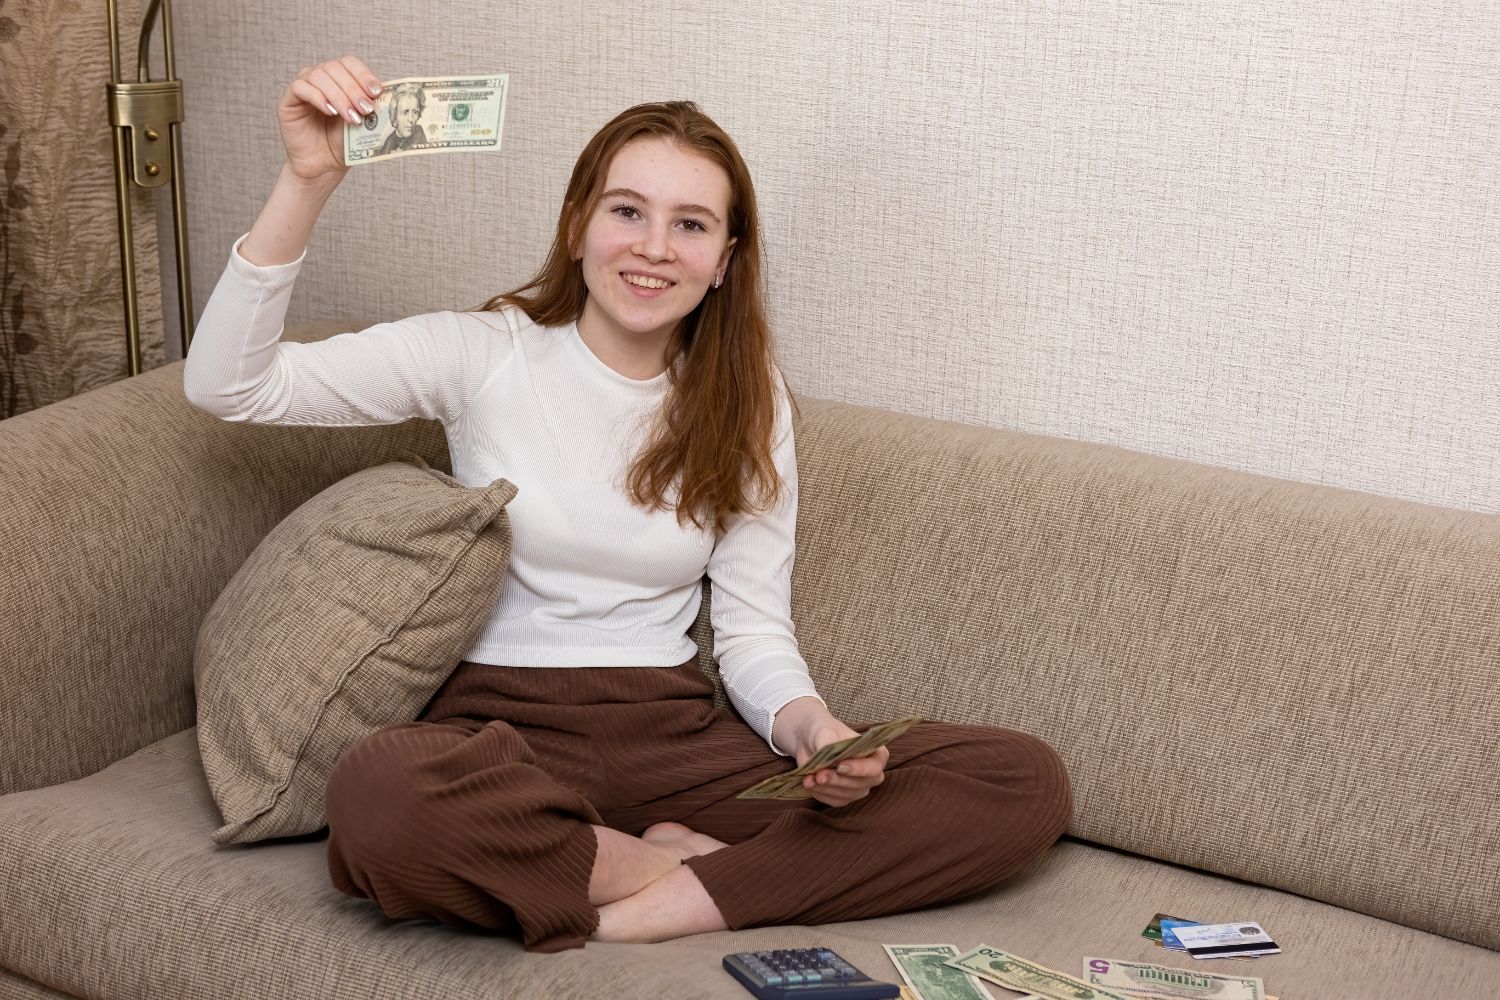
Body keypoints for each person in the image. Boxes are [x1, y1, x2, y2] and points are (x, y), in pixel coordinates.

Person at [182, 54, 1072, 954]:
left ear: (724, 262)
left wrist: (814, 732)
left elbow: (755, 632)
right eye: (627, 211)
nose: (654, 246)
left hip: (677, 738)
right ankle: (672, 871)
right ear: (578, 227)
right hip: (501, 740)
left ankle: (663, 900)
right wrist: (308, 179)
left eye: (690, 225)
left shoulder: (746, 397)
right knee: (378, 796)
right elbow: (229, 385)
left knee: (1017, 782)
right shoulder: (482, 352)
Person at [377, 80, 427, 155]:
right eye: (405, 112)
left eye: (415, 112)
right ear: (394, 116)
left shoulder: (418, 133)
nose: (411, 119)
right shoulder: (389, 142)